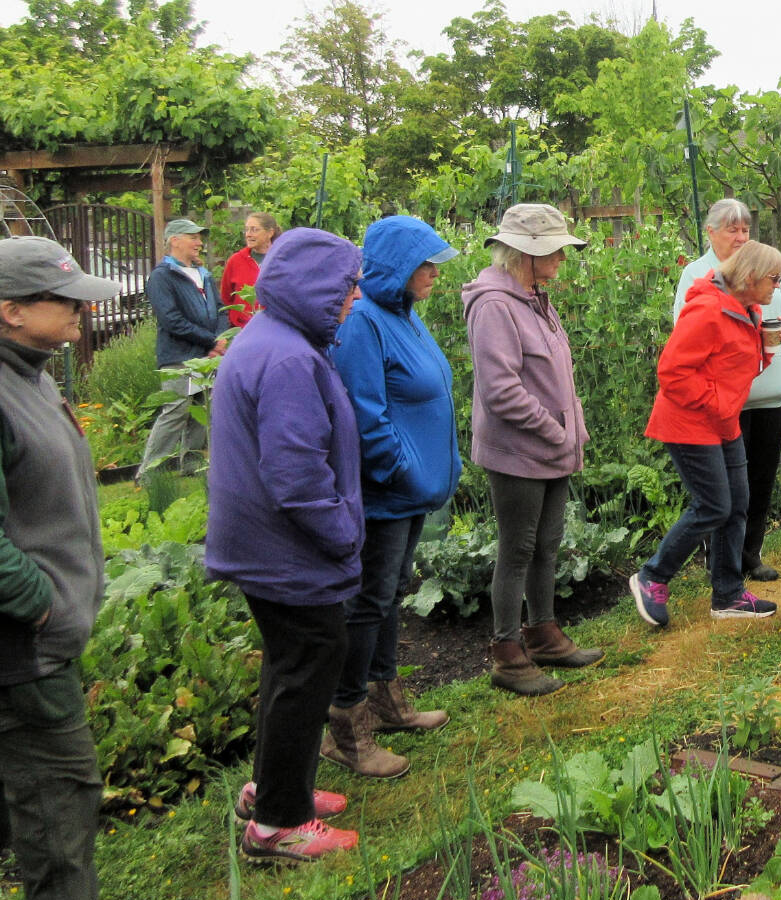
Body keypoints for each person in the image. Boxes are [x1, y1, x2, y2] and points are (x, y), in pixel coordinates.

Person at [206, 227, 364, 863]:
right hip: (288, 548)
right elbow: (296, 474)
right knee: (309, 664)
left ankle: (274, 789)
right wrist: (344, 531)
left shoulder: (270, 338)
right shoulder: (290, 358)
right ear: (315, 289)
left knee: (287, 666)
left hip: (264, 545)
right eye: (345, 288)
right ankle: (278, 825)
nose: (352, 299)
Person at [0, 237, 119, 900]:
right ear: (11, 309)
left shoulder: (33, 373)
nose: (81, 309)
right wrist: (39, 604)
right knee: (59, 829)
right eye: (64, 298)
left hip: (37, 648)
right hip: (24, 658)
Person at [322, 216, 459, 778]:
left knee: (391, 593)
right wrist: (405, 472)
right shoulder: (364, 325)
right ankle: (346, 724)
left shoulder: (404, 317)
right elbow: (367, 417)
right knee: (368, 601)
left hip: (410, 492)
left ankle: (387, 699)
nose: (432, 272)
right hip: (385, 493)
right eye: (423, 263)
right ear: (394, 267)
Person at [463, 203, 605, 696]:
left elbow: (557, 376)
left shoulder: (534, 298)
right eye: (557, 249)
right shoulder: (494, 306)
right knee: (517, 547)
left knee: (546, 543)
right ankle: (506, 653)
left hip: (550, 447)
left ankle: (543, 634)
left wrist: (574, 428)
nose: (564, 257)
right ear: (528, 251)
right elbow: (502, 391)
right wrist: (554, 429)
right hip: (518, 451)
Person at [629, 240, 781, 628]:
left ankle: (728, 594)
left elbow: (736, 369)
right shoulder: (707, 309)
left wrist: (764, 350)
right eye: (774, 278)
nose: (778, 287)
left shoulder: (747, 308)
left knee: (737, 504)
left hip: (722, 422)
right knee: (715, 505)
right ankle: (652, 576)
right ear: (749, 278)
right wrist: (717, 403)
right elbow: (672, 373)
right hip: (690, 423)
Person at [673, 199, 781, 581]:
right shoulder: (697, 276)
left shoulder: (764, 270)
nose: (741, 236)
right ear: (710, 232)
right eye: (732, 229)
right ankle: (720, 560)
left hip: (769, 392)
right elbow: (687, 334)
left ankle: (751, 554)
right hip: (727, 400)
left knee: (761, 479)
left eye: (745, 229)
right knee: (729, 485)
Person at [138, 218, 227, 480]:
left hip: (207, 356)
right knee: (176, 411)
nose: (199, 243)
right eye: (193, 237)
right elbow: (171, 319)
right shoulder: (162, 276)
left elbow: (220, 309)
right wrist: (210, 341)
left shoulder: (204, 274)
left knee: (202, 411)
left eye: (200, 238)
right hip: (178, 356)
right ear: (175, 240)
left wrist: (220, 339)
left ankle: (192, 466)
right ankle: (149, 472)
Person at [221, 211, 282, 327]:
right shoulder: (235, 261)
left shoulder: (282, 260)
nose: (248, 234)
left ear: (270, 233)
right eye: (247, 229)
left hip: (275, 329)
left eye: (254, 230)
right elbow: (226, 299)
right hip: (242, 330)